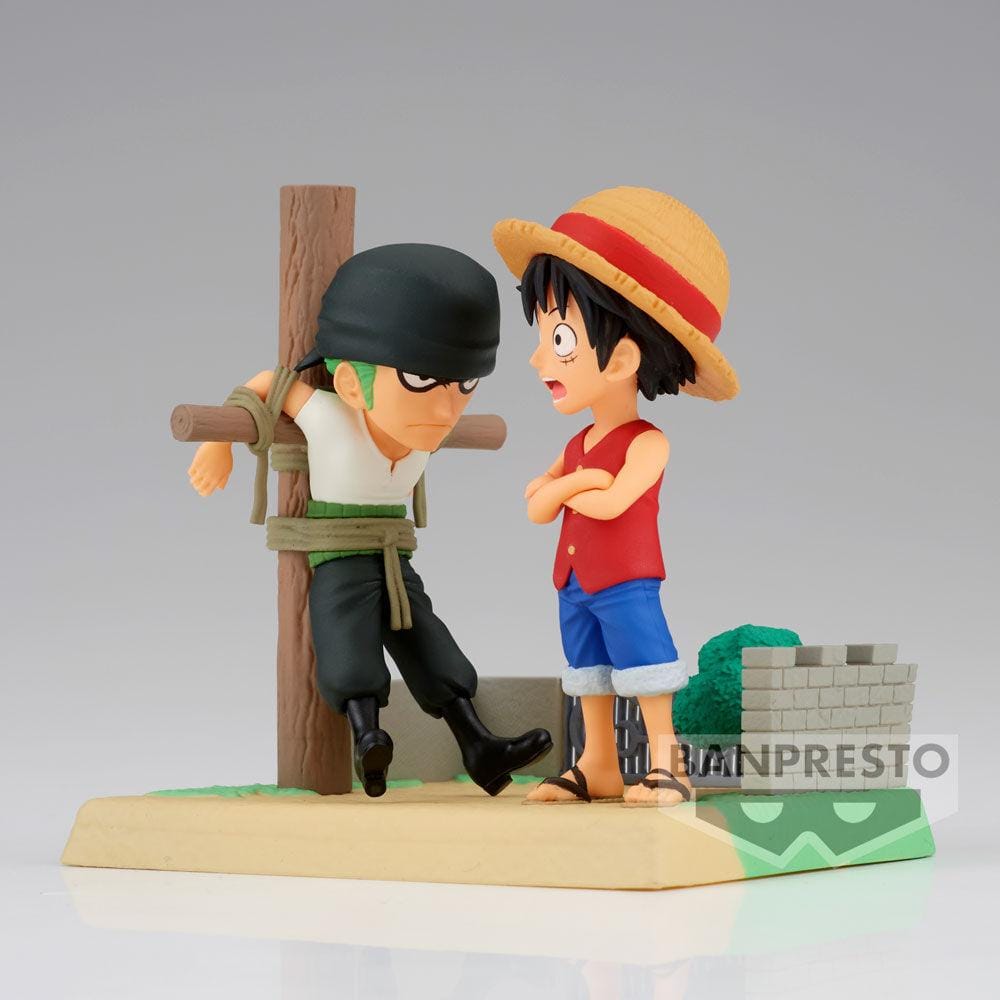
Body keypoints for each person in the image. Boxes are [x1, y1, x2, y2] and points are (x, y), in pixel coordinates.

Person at [187, 243, 552, 797]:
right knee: (346, 639)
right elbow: (267, 382)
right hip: (339, 551)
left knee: (428, 640)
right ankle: (367, 738)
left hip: (394, 553)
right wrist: (217, 442)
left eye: (464, 385)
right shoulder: (330, 417)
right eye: (421, 381)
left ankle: (479, 744)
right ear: (352, 384)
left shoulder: (424, 431)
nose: (448, 408)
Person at [492, 188, 739, 805]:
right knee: (589, 676)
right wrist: (577, 483)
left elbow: (611, 503)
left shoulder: (647, 441)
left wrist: (564, 489)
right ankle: (597, 763)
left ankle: (668, 764)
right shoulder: (578, 444)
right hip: (573, 581)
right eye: (543, 334)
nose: (539, 359)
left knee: (647, 670)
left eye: (561, 339)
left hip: (626, 583)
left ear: (624, 356)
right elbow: (537, 506)